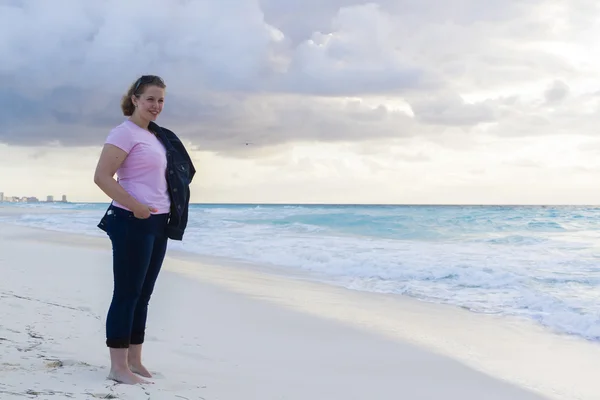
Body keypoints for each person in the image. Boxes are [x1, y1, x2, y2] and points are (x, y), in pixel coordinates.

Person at [93, 75, 196, 385]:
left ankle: (134, 360)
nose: (156, 106)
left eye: (161, 100)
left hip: (159, 222)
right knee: (127, 293)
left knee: (144, 294)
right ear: (135, 99)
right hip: (130, 220)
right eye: (150, 99)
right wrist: (136, 206)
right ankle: (117, 366)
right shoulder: (124, 133)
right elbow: (102, 177)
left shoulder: (158, 136)